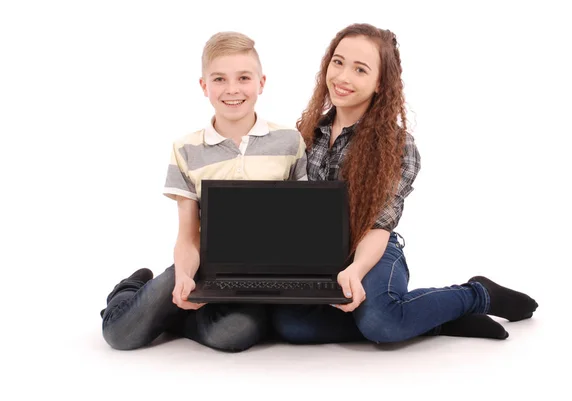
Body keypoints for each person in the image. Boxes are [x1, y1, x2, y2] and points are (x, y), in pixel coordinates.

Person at [270, 23, 538, 344]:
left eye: (360, 69)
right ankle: (432, 320)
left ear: (380, 83)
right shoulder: (306, 134)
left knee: (382, 322)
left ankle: (476, 295)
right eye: (338, 62)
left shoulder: (397, 147)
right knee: (292, 327)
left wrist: (355, 270)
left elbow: (379, 225)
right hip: (320, 254)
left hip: (373, 247)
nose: (342, 77)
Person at [100, 31, 308, 352]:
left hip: (257, 276)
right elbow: (188, 234)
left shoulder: (290, 141)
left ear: (261, 82)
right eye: (220, 79)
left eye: (243, 78)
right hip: (201, 264)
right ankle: (130, 289)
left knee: (236, 334)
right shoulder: (186, 148)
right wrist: (184, 275)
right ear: (204, 86)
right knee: (120, 336)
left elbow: (300, 219)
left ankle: (168, 318)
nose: (232, 89)